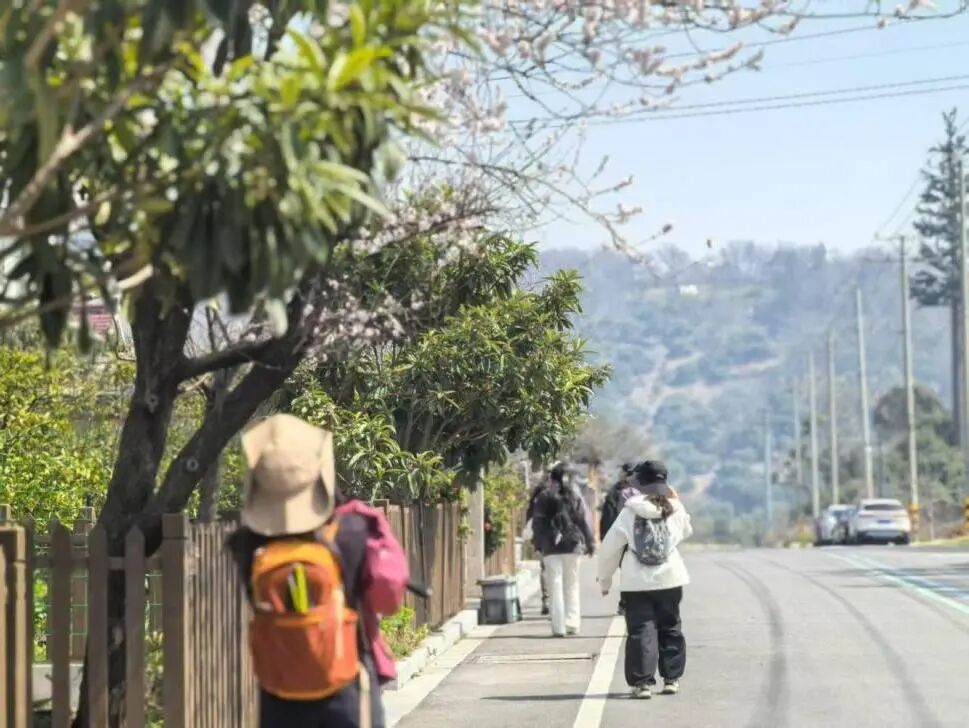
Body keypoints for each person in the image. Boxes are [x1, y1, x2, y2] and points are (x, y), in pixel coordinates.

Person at [226, 414, 408, 728]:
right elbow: (388, 597)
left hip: (278, 697)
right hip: (347, 691)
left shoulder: (247, 545)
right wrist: (375, 527)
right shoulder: (351, 532)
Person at [597, 460, 692, 700]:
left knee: (641, 629)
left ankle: (642, 683)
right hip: (670, 578)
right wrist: (676, 501)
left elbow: (609, 549)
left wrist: (605, 580)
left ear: (640, 483)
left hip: (636, 581)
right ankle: (671, 679)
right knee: (670, 626)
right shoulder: (675, 508)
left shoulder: (630, 511)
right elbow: (686, 530)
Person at [531, 463, 595, 637]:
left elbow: (537, 522)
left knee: (555, 586)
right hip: (572, 544)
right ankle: (572, 623)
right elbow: (583, 520)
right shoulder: (574, 495)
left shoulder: (544, 497)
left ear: (552, 479)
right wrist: (590, 542)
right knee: (571, 585)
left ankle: (558, 627)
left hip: (550, 546)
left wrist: (537, 543)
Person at [525, 478, 551, 615]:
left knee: (544, 568)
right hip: (556, 538)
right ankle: (555, 600)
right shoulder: (557, 494)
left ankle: (546, 600)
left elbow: (529, 518)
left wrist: (535, 540)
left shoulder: (536, 498)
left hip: (541, 538)